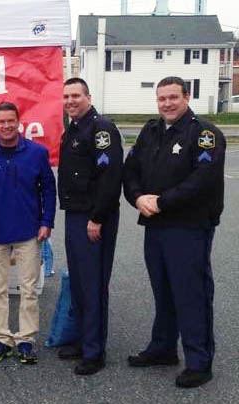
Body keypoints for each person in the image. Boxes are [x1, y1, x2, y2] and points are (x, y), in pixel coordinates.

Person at [123, 76, 225, 388]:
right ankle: (163, 348)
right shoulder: (151, 131)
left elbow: (203, 180)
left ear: (186, 96)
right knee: (163, 291)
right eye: (161, 98)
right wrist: (138, 197)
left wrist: (163, 202)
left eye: (172, 97)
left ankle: (199, 361)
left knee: (191, 294)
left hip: (188, 227)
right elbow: (131, 170)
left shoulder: (204, 134)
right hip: (155, 225)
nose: (166, 103)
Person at [0, 102, 56, 364]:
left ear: (19, 123)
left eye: (11, 121)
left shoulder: (37, 153)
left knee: (29, 289)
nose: (6, 126)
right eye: (1, 122)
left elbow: (48, 191)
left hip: (28, 231)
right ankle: (1, 339)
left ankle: (26, 340)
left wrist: (46, 221)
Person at [57, 77, 123, 375]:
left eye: (76, 96)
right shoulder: (74, 127)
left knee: (93, 284)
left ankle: (95, 352)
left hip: (94, 218)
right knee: (82, 284)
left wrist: (97, 217)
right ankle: (84, 341)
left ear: (88, 96)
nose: (70, 101)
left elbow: (110, 179)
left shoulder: (101, 129)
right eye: (66, 96)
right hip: (75, 214)